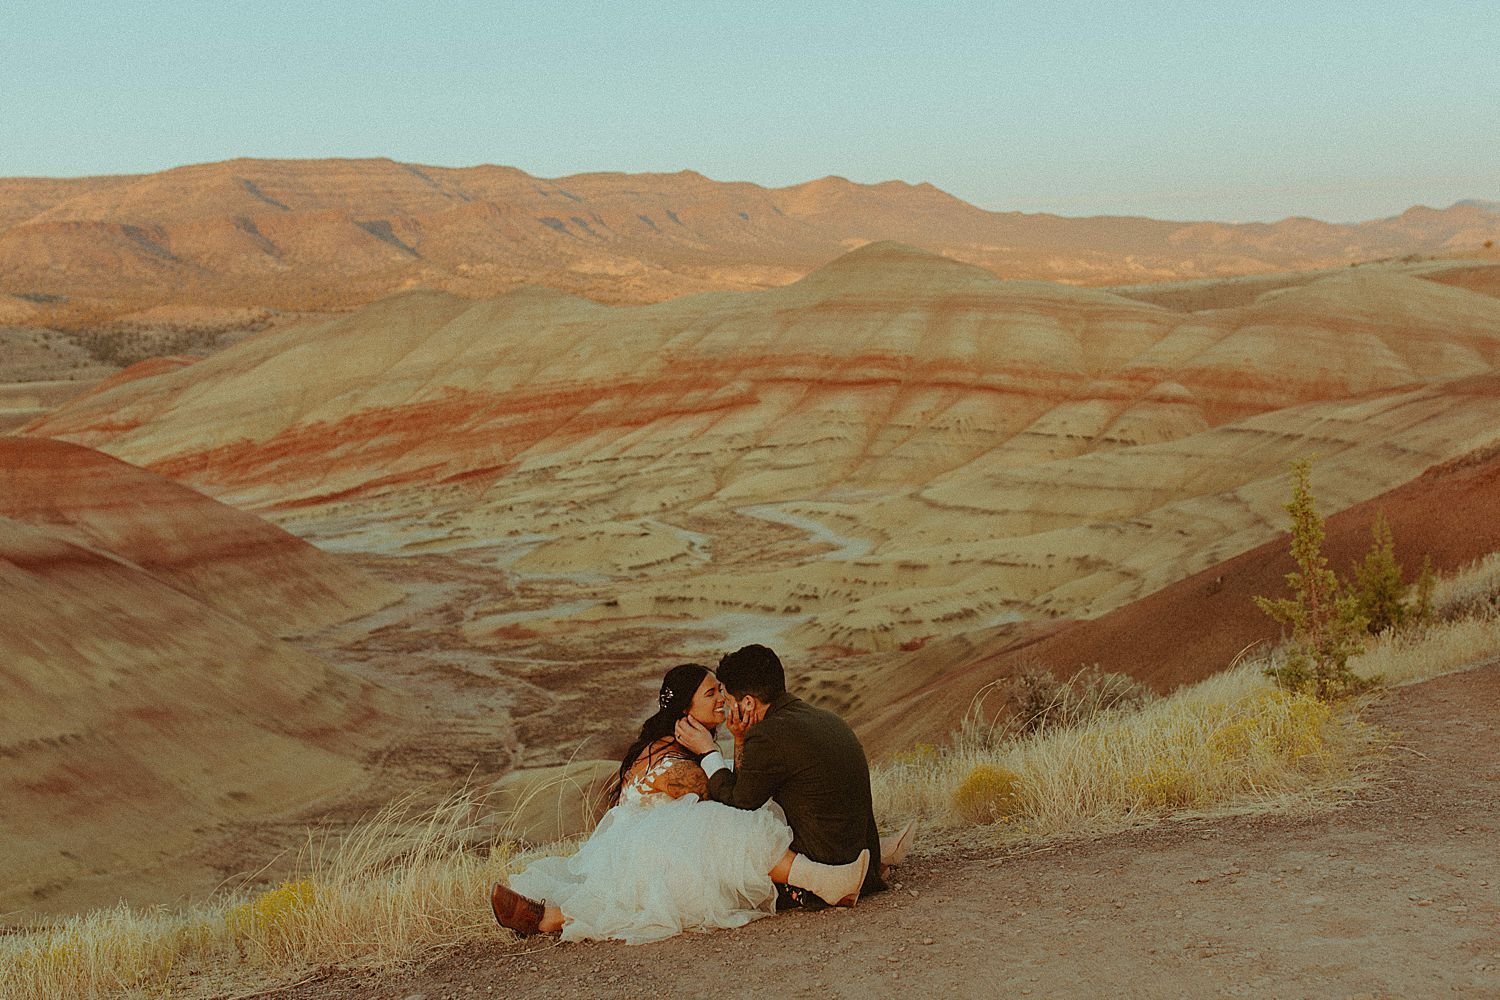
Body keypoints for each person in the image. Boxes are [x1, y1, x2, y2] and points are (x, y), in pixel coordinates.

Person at [489, 663, 870, 943]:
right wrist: (724, 746)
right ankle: (545, 919)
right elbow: (737, 801)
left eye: (721, 691)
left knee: (730, 822)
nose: (722, 699)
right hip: (654, 852)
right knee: (731, 825)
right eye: (711, 694)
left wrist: (732, 741)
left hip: (661, 848)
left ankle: (852, 865)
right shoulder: (672, 760)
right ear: (687, 710)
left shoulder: (684, 743)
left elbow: (733, 790)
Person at [675, 644, 888, 909]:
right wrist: (740, 738)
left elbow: (738, 804)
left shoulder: (769, 735)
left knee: (729, 832)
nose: (728, 709)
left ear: (748, 702)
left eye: (729, 702)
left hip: (828, 866)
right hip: (861, 861)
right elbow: (750, 786)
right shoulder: (824, 717)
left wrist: (708, 752)